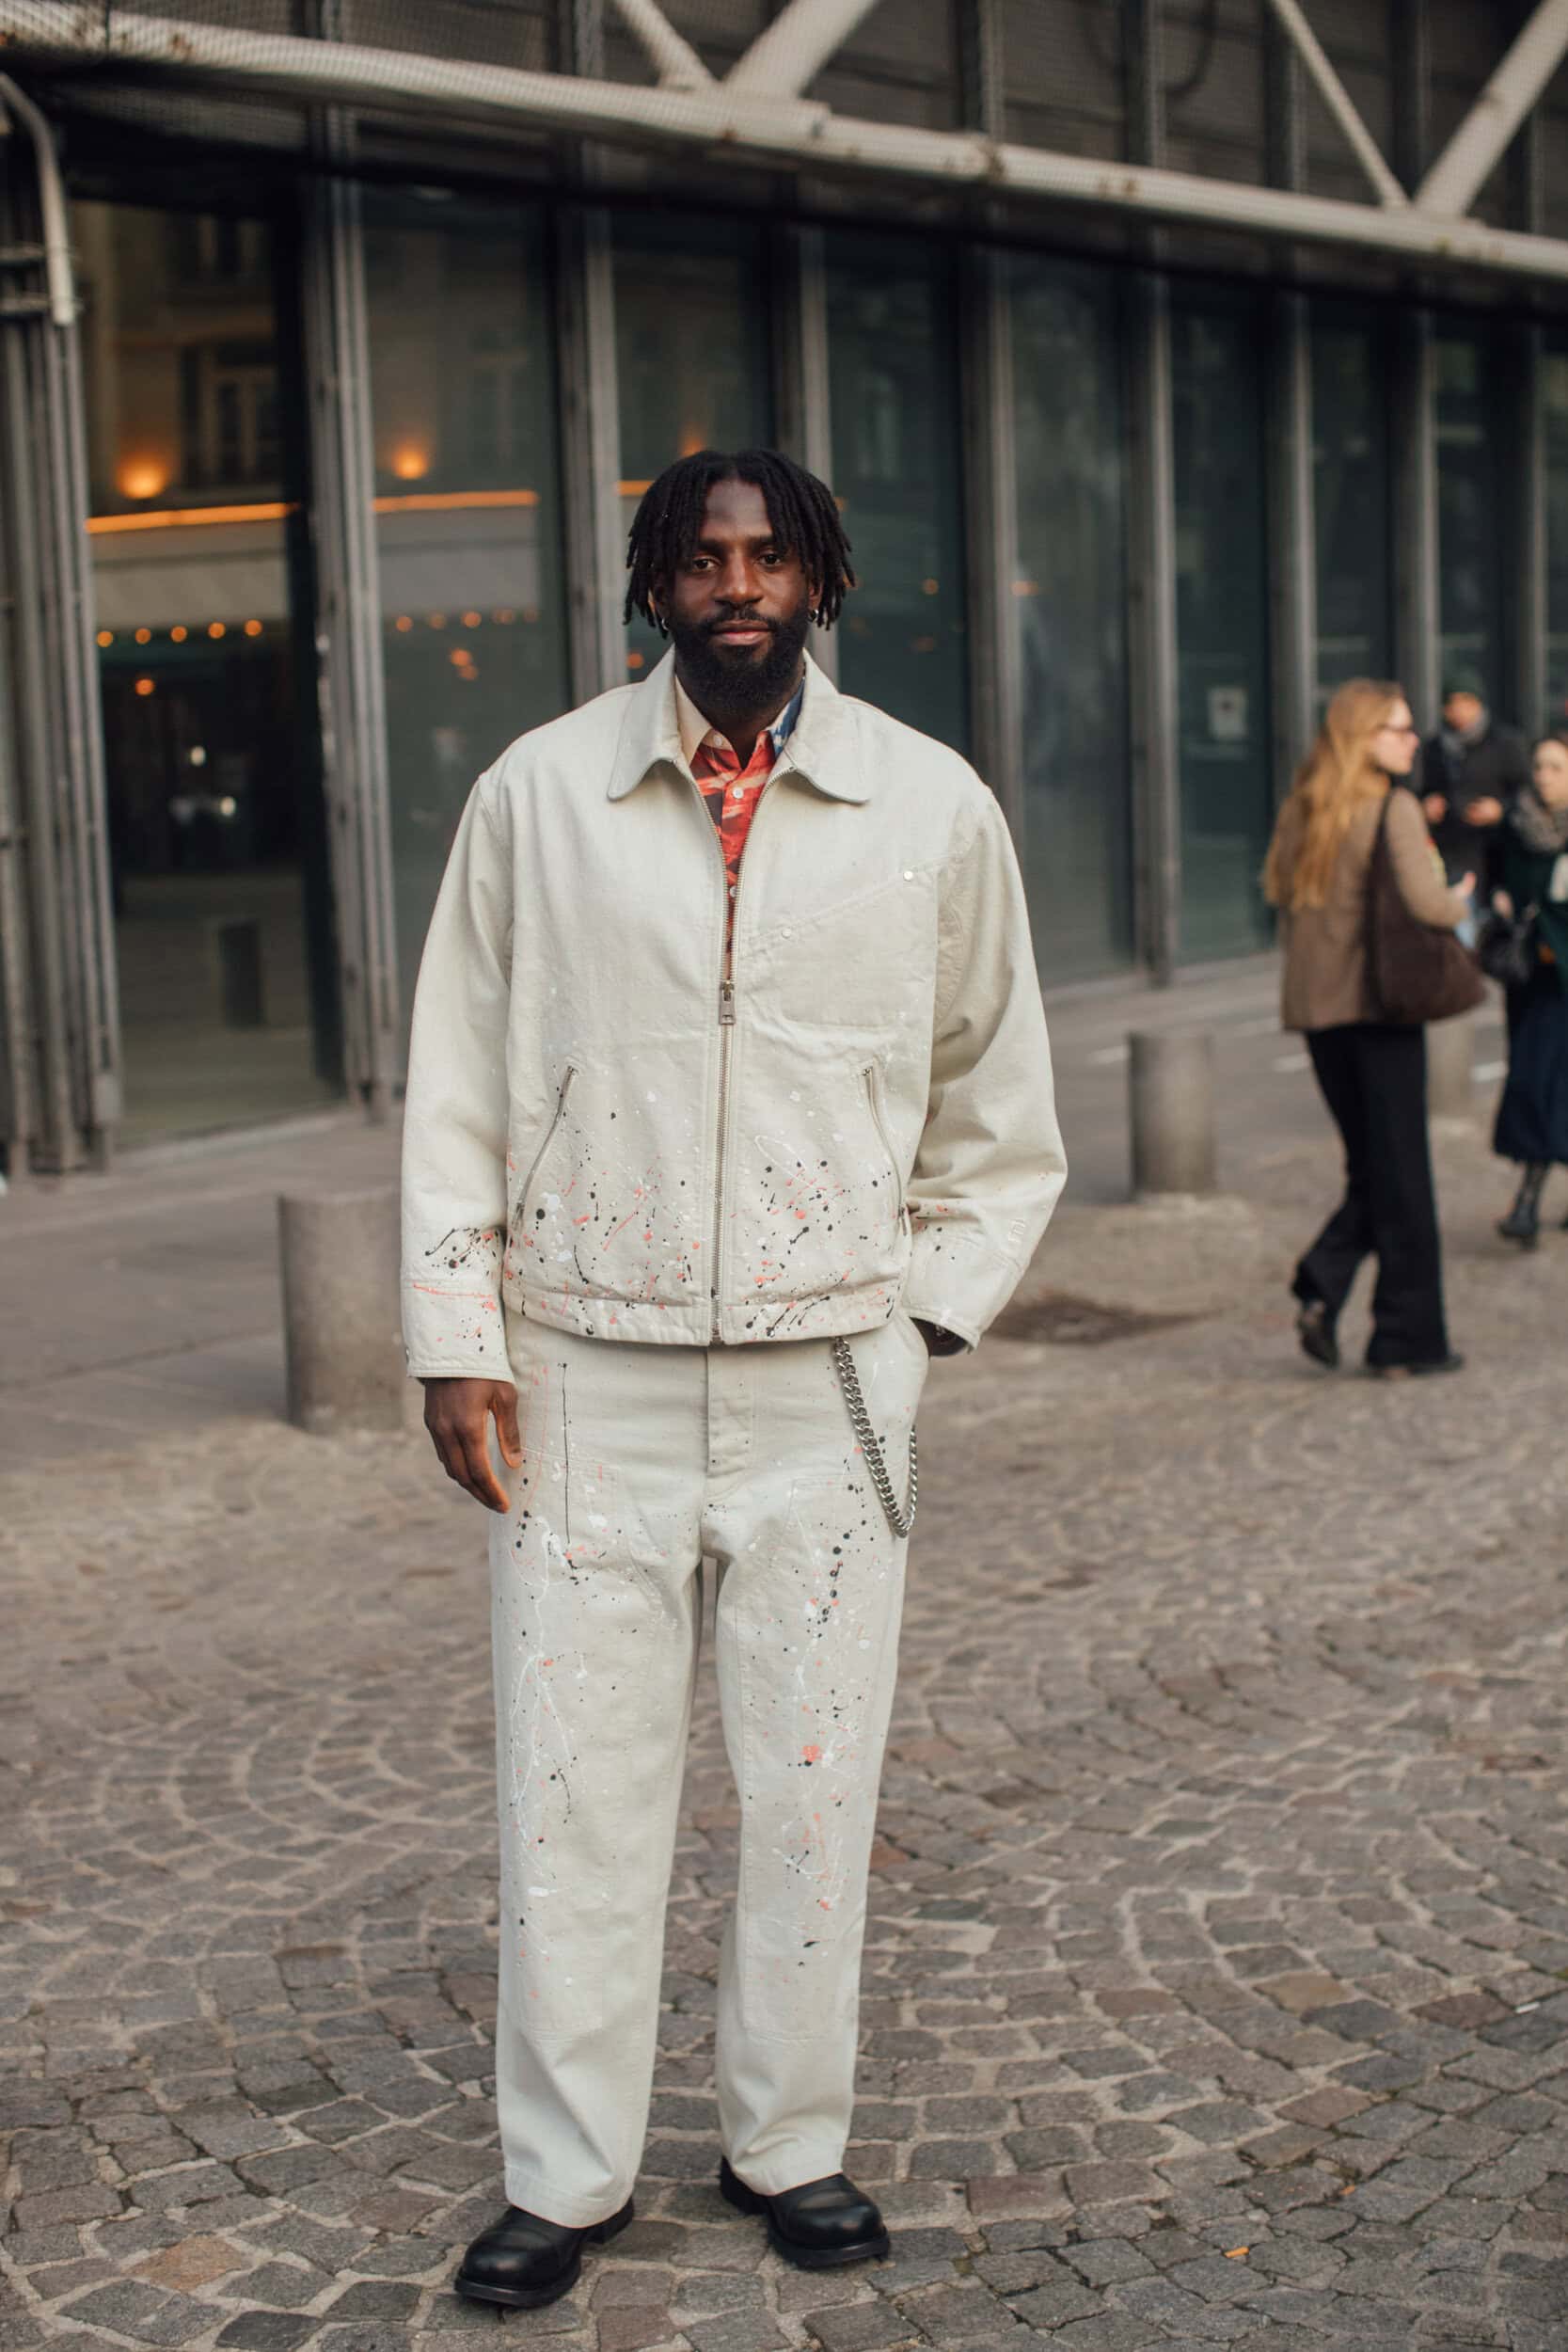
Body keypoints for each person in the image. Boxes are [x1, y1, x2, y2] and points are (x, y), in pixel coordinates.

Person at [401, 449, 1066, 2311]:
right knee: (572, 1787)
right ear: (652, 584)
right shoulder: (537, 796)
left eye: (767, 554)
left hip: (826, 1385)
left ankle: (788, 2138)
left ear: (818, 578)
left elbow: (995, 1102)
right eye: (702, 558)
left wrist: (910, 1316)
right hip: (579, 1378)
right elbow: (451, 1076)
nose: (736, 585)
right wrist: (456, 1330)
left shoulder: (923, 807)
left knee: (805, 1778)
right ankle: (565, 2167)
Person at [1263, 678, 1472, 1378]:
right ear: (1363, 737)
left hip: (1319, 1019)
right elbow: (1428, 904)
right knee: (1401, 1176)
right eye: (1398, 729)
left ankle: (1323, 1285)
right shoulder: (1393, 808)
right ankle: (1406, 1341)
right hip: (1379, 1012)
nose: (1413, 740)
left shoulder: (1305, 808)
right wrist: (1459, 897)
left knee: (1373, 1168)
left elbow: (1279, 895)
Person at [1487, 732, 1568, 1248]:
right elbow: (1494, 876)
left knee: (1544, 1087)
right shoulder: (1513, 829)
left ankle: (1526, 1204)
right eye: (1540, 766)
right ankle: (1527, 1204)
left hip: (1563, 980)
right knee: (1535, 1083)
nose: (1544, 776)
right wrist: (1498, 902)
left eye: (1557, 768)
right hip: (1529, 980)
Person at [1418, 681, 1529, 887]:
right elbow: (1425, 788)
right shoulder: (1434, 747)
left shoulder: (1505, 743)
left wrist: (1500, 810)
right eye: (1452, 703)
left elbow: (1525, 792)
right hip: (1449, 847)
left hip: (1494, 851)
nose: (1458, 710)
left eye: (1465, 701)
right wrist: (1428, 804)